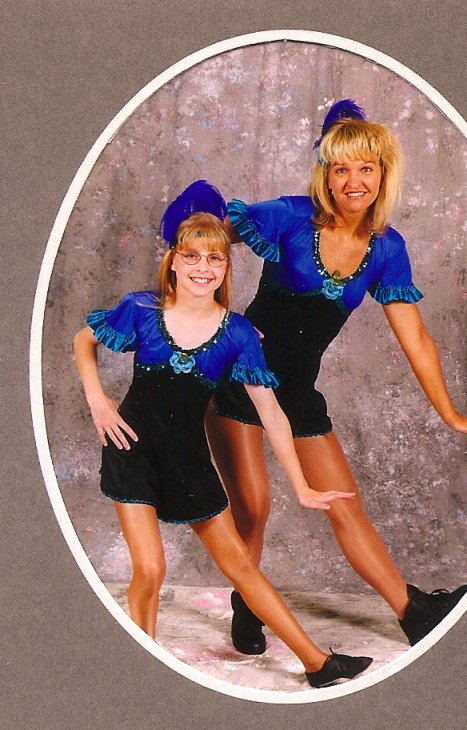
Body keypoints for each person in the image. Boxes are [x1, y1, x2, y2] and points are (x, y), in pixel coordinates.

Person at [206, 101, 467, 651]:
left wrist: (449, 412)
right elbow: (202, 246)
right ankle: (247, 601)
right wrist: (195, 324)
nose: (354, 181)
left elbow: (415, 337)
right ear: (325, 174)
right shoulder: (288, 216)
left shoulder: (386, 249)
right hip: (237, 377)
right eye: (341, 168)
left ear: (383, 175)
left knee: (345, 502)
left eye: (366, 168)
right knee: (254, 507)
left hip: (296, 392)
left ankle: (412, 612)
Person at [73, 180, 372, 689]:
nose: (202, 268)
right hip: (133, 452)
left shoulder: (237, 334)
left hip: (189, 462)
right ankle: (142, 667)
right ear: (173, 260)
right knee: (150, 568)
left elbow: (273, 414)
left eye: (215, 258)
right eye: (191, 257)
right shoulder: (142, 311)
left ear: (226, 267)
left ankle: (318, 664)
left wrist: (301, 486)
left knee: (242, 568)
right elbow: (84, 339)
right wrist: (99, 402)